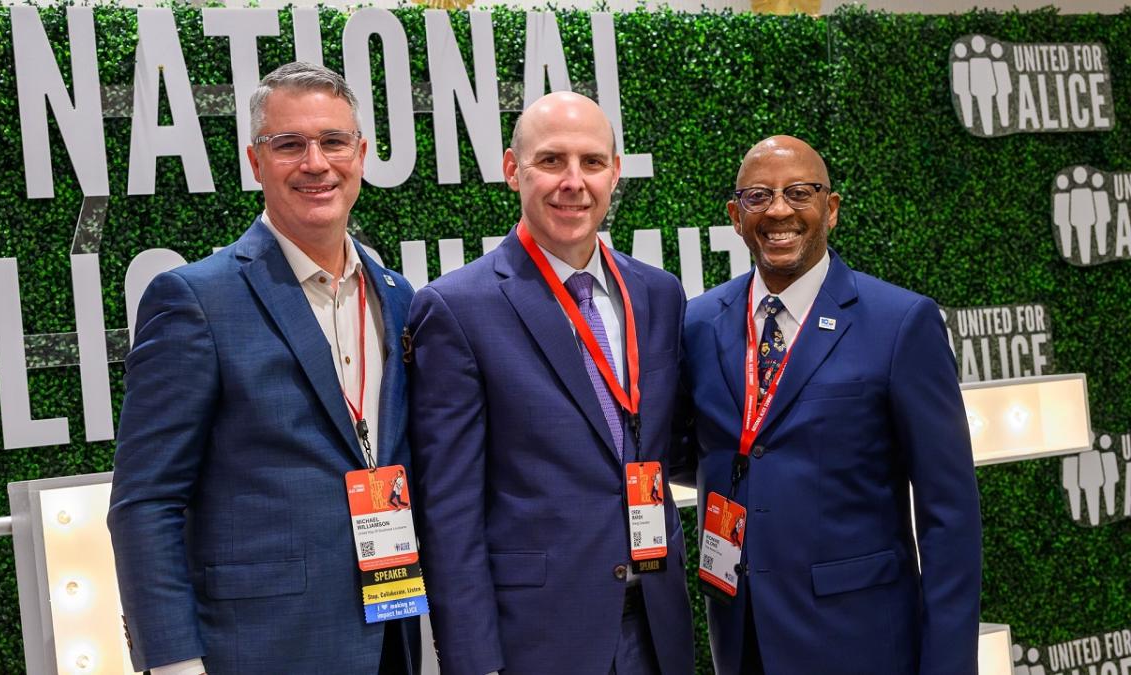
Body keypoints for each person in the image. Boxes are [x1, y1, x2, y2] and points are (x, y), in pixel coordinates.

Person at [107, 62, 420, 675]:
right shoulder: (194, 298)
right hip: (258, 650)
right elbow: (145, 502)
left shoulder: (396, 295)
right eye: (289, 145)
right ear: (255, 161)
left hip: (389, 635)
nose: (315, 163)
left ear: (360, 154)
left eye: (333, 141)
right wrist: (173, 662)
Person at [407, 91, 693, 675]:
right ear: (514, 170)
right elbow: (450, 510)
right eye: (551, 161)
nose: (574, 181)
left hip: (656, 630)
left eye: (592, 162)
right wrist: (472, 661)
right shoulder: (457, 307)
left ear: (616, 172)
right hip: (536, 640)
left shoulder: (659, 295)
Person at [678, 135, 982, 674]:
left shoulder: (900, 323)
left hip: (861, 640)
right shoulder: (699, 323)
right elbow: (695, 448)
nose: (778, 211)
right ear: (735, 215)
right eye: (757, 196)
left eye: (800, 192)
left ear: (831, 208)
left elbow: (949, 515)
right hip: (741, 636)